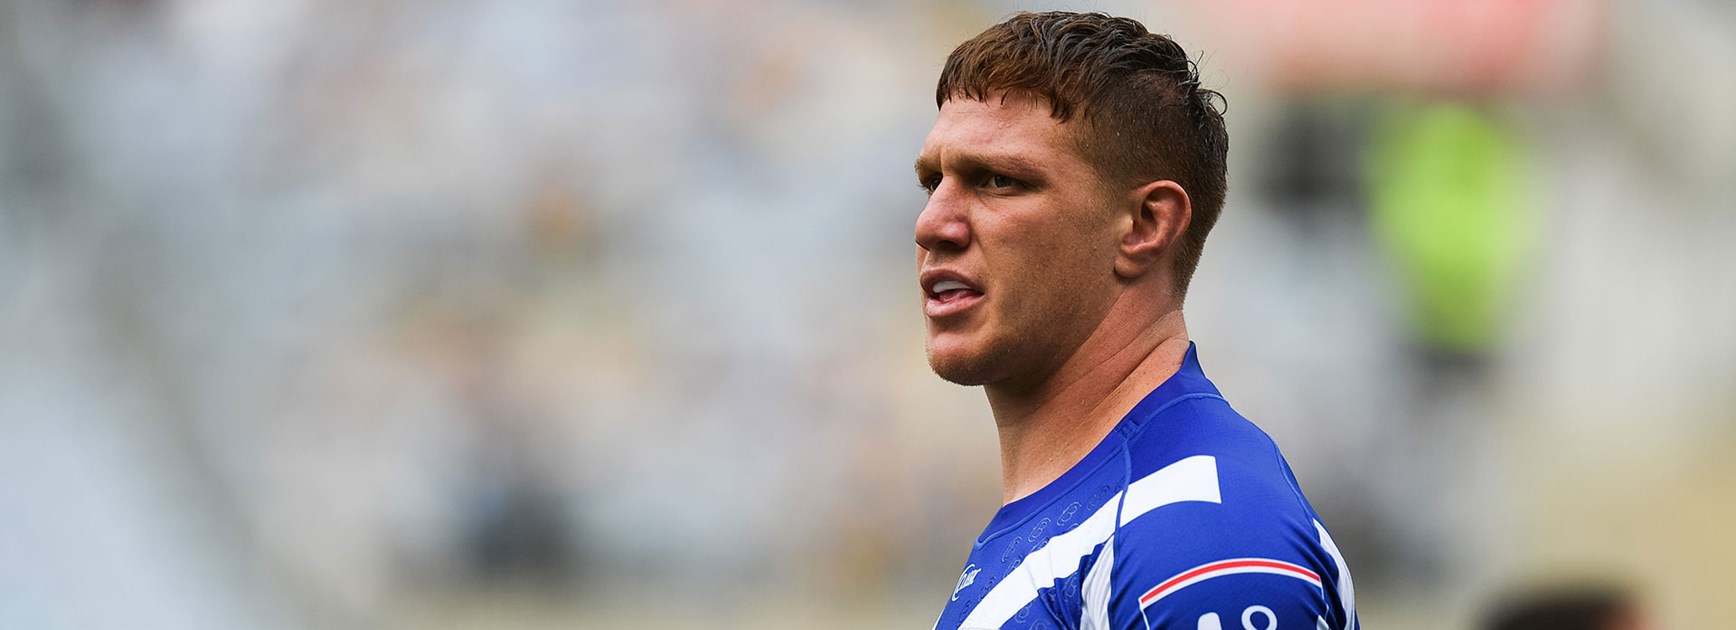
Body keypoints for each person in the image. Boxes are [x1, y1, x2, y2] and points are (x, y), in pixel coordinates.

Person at [913, 12, 1357, 629]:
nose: (932, 224)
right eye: (933, 182)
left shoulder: (1199, 533)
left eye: (999, 181)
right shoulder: (1101, 516)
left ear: (1146, 226)